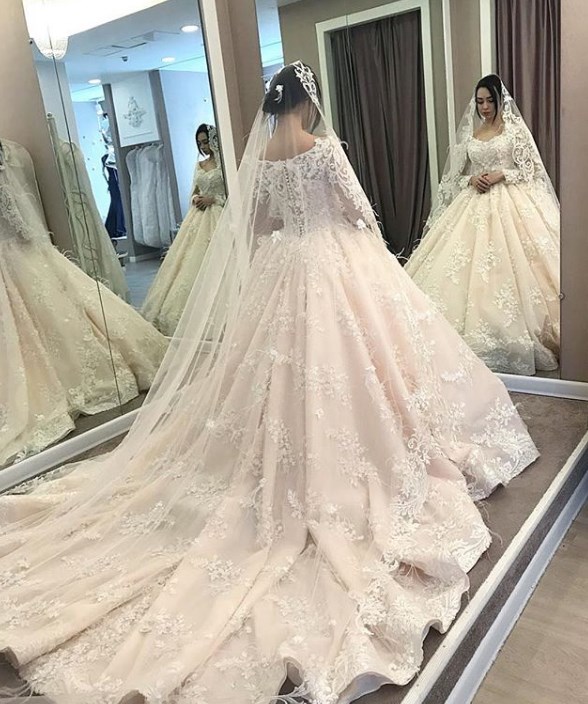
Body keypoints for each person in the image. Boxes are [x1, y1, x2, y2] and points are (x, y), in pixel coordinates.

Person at [0, 63, 538, 703]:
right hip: (333, 265)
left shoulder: (262, 157)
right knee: (366, 370)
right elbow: (358, 214)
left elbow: (257, 226)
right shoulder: (324, 148)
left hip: (282, 272)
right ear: (308, 103)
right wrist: (364, 251)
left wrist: (293, 234)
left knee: (269, 382)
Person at [0, 139, 168, 466]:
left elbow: (11, 208)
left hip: (13, 254)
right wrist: (32, 241)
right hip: (14, 252)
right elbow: (13, 213)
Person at [405, 74, 560, 376]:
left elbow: (532, 170)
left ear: (500, 100)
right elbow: (456, 176)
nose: (485, 107)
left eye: (489, 100)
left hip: (512, 203)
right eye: (480, 101)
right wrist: (471, 179)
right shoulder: (473, 134)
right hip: (474, 204)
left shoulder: (514, 131)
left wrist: (503, 174)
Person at [141, 124, 226, 336]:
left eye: (206, 141)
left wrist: (214, 199)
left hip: (220, 216)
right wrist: (196, 198)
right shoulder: (200, 165)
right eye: (200, 143)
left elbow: (232, 191)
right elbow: (194, 191)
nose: (203, 147)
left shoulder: (225, 163)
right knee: (187, 263)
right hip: (199, 217)